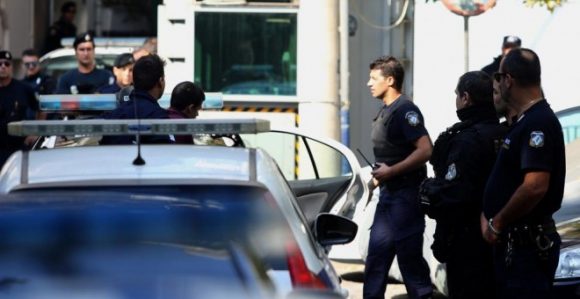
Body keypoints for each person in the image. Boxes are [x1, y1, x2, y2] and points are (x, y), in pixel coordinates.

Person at [481, 48, 565, 299]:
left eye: (498, 77)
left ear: (508, 80)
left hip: (527, 248)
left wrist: (498, 223)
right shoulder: (524, 121)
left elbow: (535, 186)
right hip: (515, 245)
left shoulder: (537, 122)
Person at [419, 71, 506, 299]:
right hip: (500, 235)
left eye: (457, 95)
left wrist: (428, 193)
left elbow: (454, 194)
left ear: (465, 98)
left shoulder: (465, 139)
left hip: (468, 242)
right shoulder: (505, 132)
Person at [363, 55, 433, 299]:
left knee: (410, 264)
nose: (368, 83)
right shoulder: (386, 111)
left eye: (374, 78)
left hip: (406, 199)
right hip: (388, 196)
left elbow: (425, 149)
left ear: (390, 80)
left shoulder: (405, 110)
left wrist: (390, 172)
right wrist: (376, 180)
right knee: (375, 262)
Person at [100, 54, 170, 145]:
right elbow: (166, 154)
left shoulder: (113, 116)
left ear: (134, 80)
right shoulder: (159, 117)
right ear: (160, 81)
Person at [0, 50, 39, 168]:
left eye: (7, 64)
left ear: (11, 67)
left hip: (17, 147)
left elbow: (39, 109)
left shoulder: (23, 88)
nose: (3, 67)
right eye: (0, 64)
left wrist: (35, 132)